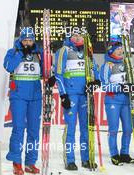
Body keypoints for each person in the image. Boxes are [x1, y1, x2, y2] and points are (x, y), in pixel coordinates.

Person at [54, 32, 100, 170]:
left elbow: (94, 70)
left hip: (85, 95)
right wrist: (63, 95)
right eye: (74, 35)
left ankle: (86, 159)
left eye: (80, 35)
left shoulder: (88, 51)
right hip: (71, 94)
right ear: (69, 37)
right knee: (71, 128)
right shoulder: (64, 50)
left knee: (86, 128)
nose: (78, 38)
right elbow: (58, 73)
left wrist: (95, 82)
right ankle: (70, 160)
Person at [4, 27, 43, 175]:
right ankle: (16, 163)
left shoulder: (38, 54)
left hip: (35, 96)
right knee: (19, 129)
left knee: (34, 131)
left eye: (30, 40)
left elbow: (46, 71)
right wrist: (20, 54)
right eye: (25, 40)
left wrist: (50, 76)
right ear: (21, 40)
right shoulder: (13, 52)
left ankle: (30, 162)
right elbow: (8, 67)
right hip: (19, 95)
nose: (28, 43)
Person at [100, 36, 134, 166]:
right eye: (117, 49)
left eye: (121, 49)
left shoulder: (126, 64)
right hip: (112, 100)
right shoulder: (106, 66)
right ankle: (114, 154)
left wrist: (132, 86)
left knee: (128, 129)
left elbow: (131, 80)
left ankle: (125, 153)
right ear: (111, 51)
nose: (120, 51)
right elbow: (104, 86)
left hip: (126, 100)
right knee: (114, 129)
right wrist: (120, 87)